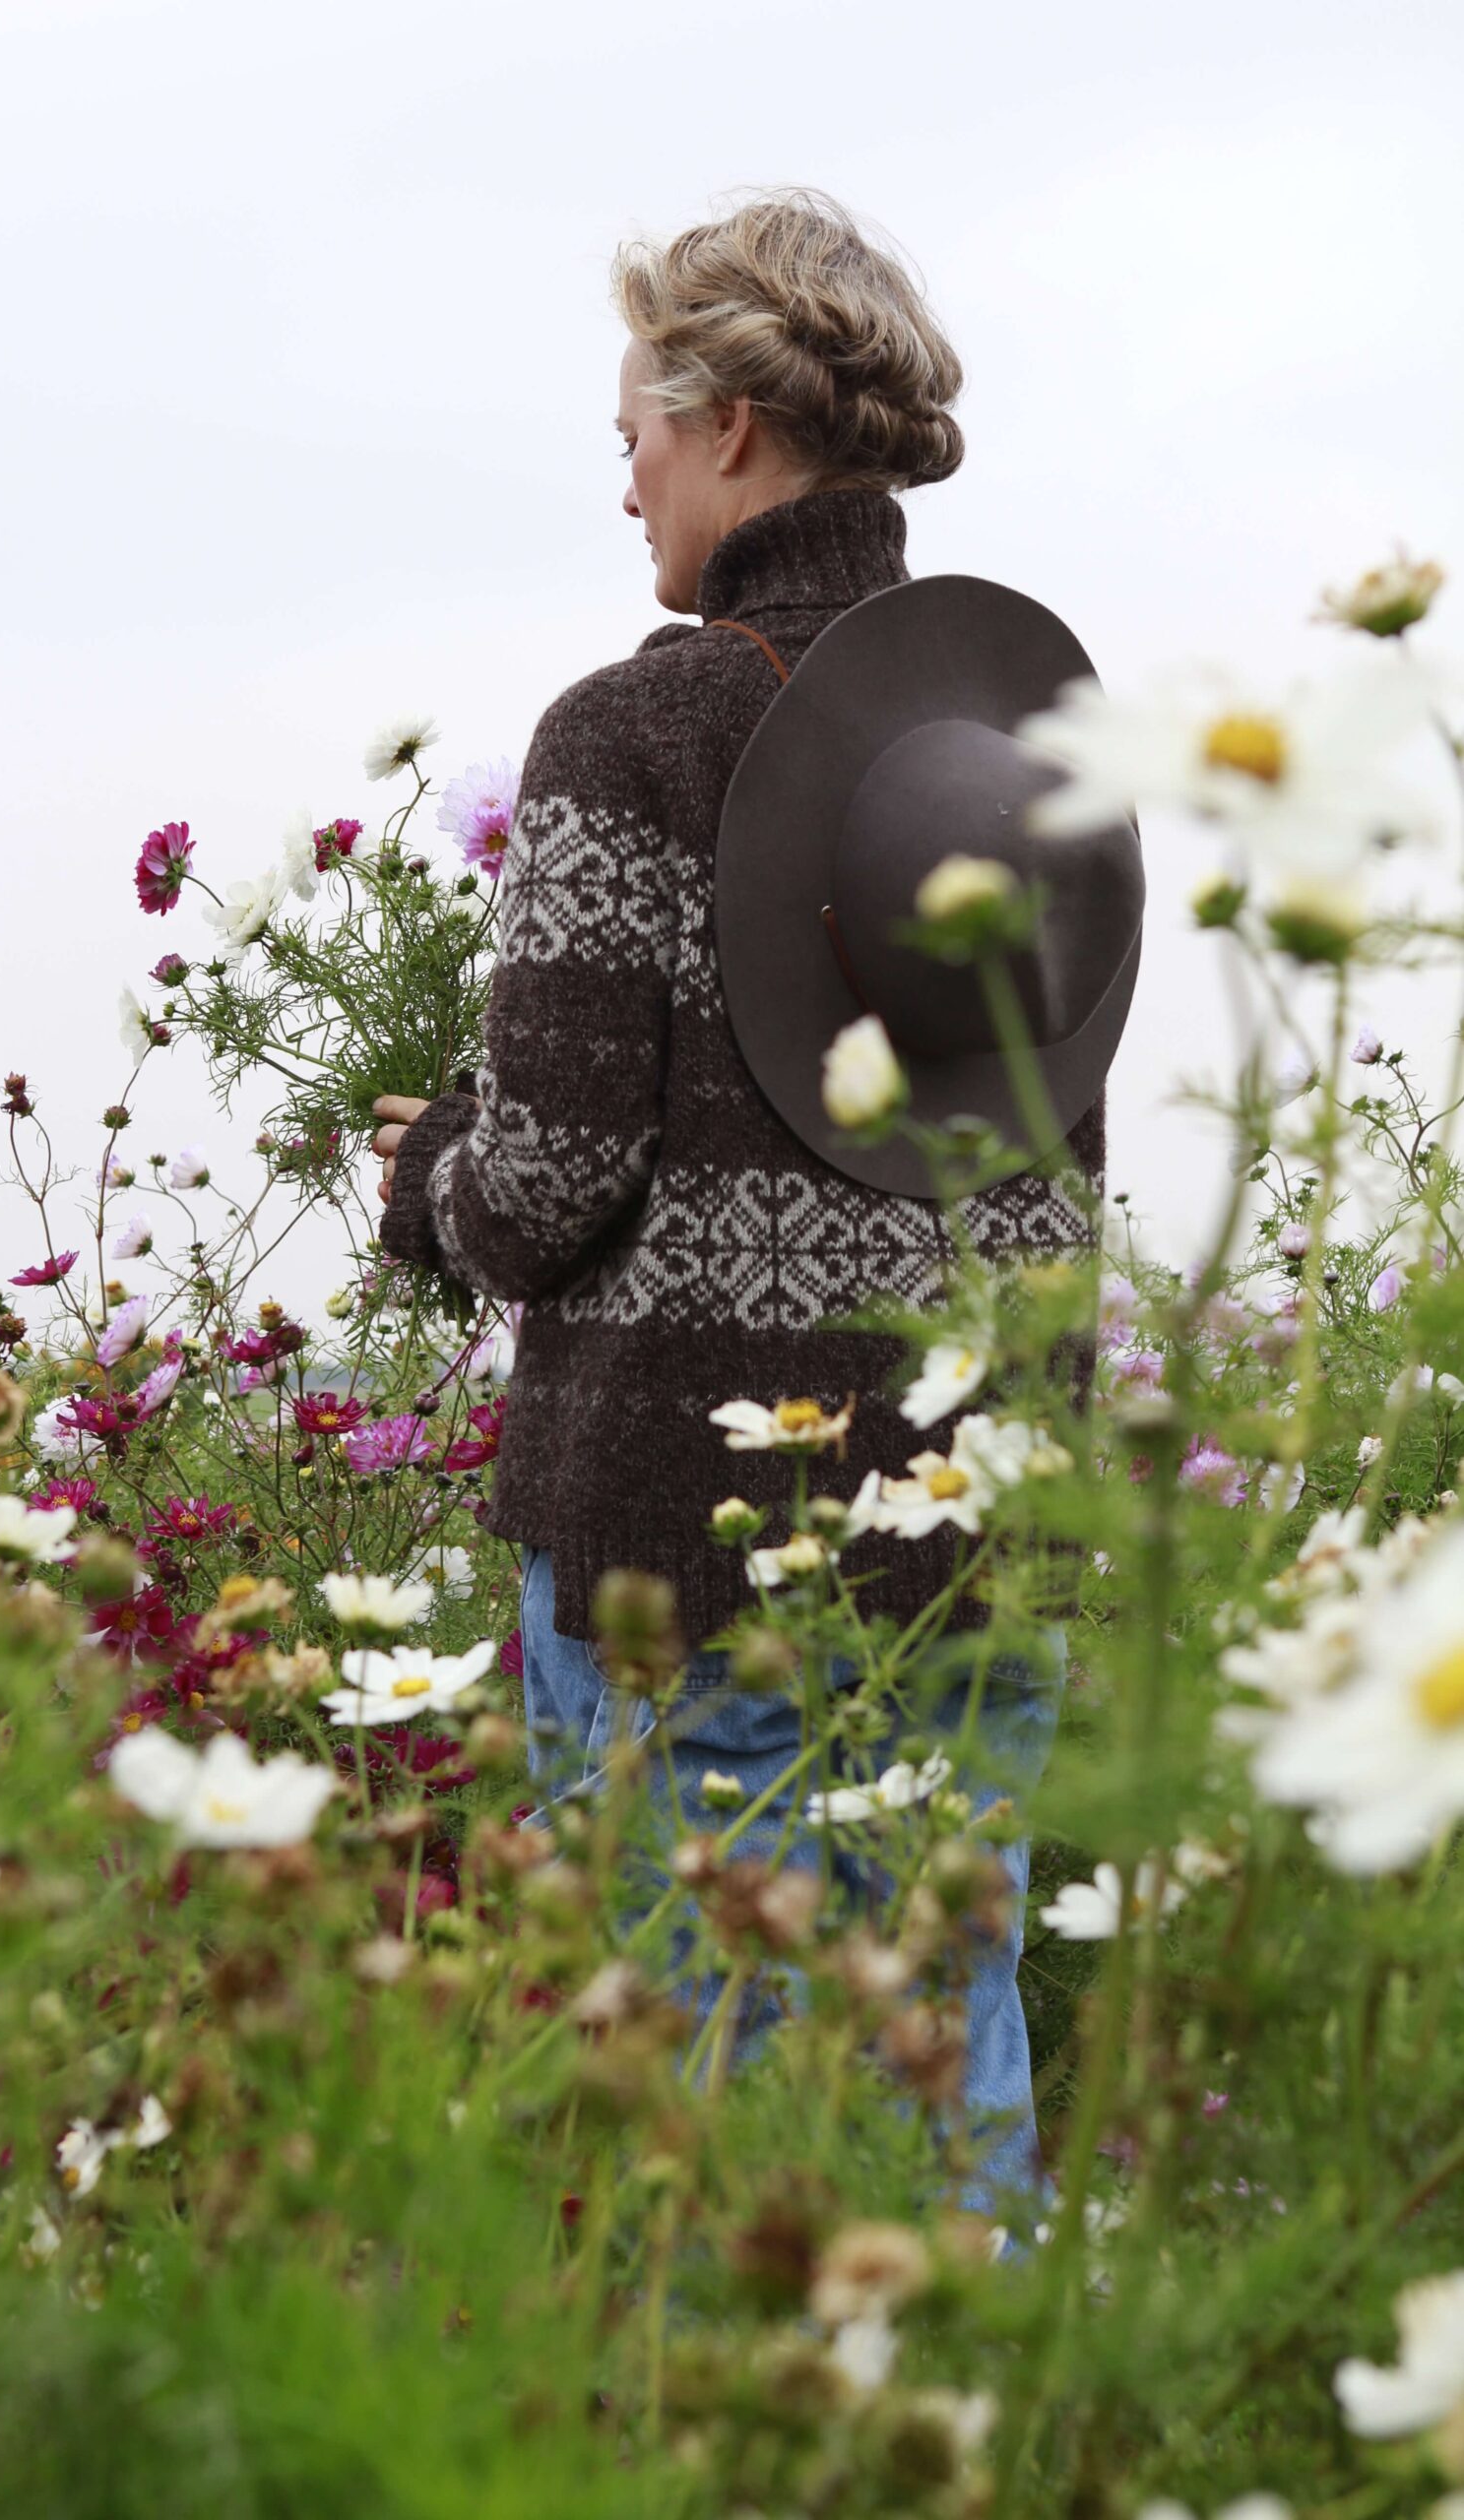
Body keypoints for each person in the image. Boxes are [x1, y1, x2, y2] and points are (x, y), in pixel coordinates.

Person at [372, 187, 1141, 2217]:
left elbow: (541, 1187)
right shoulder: (1013, 756)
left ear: (725, 428)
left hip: (679, 1562)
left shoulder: (630, 733)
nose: (618, 475)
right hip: (965, 1542)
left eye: (634, 422)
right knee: (940, 2068)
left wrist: (420, 1168)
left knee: (716, 2125)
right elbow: (1041, 1188)